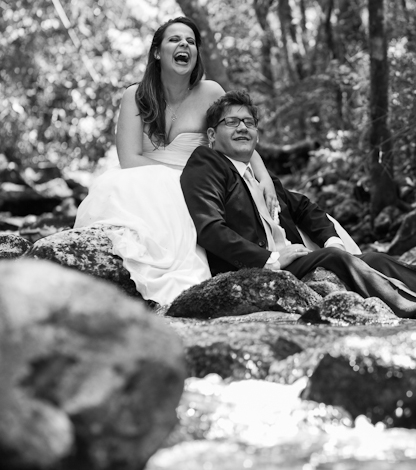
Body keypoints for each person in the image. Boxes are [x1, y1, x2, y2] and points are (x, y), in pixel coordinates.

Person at [181, 90, 416, 320]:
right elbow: (210, 228)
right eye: (232, 122)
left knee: (373, 258)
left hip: (299, 260)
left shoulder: (261, 179)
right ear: (212, 136)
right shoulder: (206, 165)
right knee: (339, 259)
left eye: (249, 122)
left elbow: (305, 208)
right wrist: (271, 259)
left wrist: (331, 237)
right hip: (260, 268)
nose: (242, 127)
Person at [74, 16, 280, 305]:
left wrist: (265, 178)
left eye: (191, 41)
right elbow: (129, 158)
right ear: (157, 52)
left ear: (195, 55)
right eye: (175, 39)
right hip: (145, 178)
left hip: (200, 182)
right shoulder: (135, 96)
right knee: (116, 189)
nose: (184, 44)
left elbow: (236, 139)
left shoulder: (211, 92)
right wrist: (173, 180)